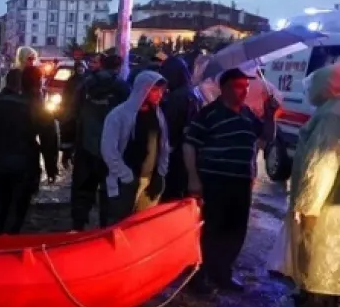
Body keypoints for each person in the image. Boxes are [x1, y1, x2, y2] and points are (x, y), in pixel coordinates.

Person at [184, 67, 278, 293]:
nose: (244, 91)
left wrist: (270, 115)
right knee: (212, 230)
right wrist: (193, 178)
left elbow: (265, 138)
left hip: (241, 183)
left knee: (235, 231)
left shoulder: (247, 113)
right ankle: (200, 276)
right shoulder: (208, 114)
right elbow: (189, 145)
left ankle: (222, 274)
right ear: (224, 88)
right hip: (214, 181)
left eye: (246, 86)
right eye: (239, 86)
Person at [268, 65, 340, 307]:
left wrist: (308, 206)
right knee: (331, 260)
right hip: (332, 202)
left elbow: (322, 162)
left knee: (314, 257)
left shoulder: (331, 115)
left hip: (323, 203)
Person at [0, 66, 59, 234]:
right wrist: (51, 167)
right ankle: (9, 238)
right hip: (25, 163)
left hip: (1, 159)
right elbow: (49, 140)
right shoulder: (36, 107)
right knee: (18, 205)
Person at [62, 53, 129, 230]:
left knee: (82, 190)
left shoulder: (86, 85)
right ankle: (106, 230)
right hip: (112, 149)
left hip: (86, 146)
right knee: (110, 191)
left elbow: (70, 115)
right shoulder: (122, 88)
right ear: (119, 67)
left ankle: (77, 228)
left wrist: (67, 147)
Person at [100, 70, 170, 224]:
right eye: (154, 90)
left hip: (150, 181)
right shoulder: (118, 115)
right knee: (120, 225)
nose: (159, 94)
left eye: (161, 90)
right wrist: (126, 176)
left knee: (144, 227)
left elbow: (164, 145)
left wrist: (160, 173)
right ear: (143, 89)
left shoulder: (158, 115)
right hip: (125, 183)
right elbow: (109, 150)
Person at [159, 55, 201, 201]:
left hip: (176, 155)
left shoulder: (178, 97)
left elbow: (170, 127)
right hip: (190, 152)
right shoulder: (194, 93)